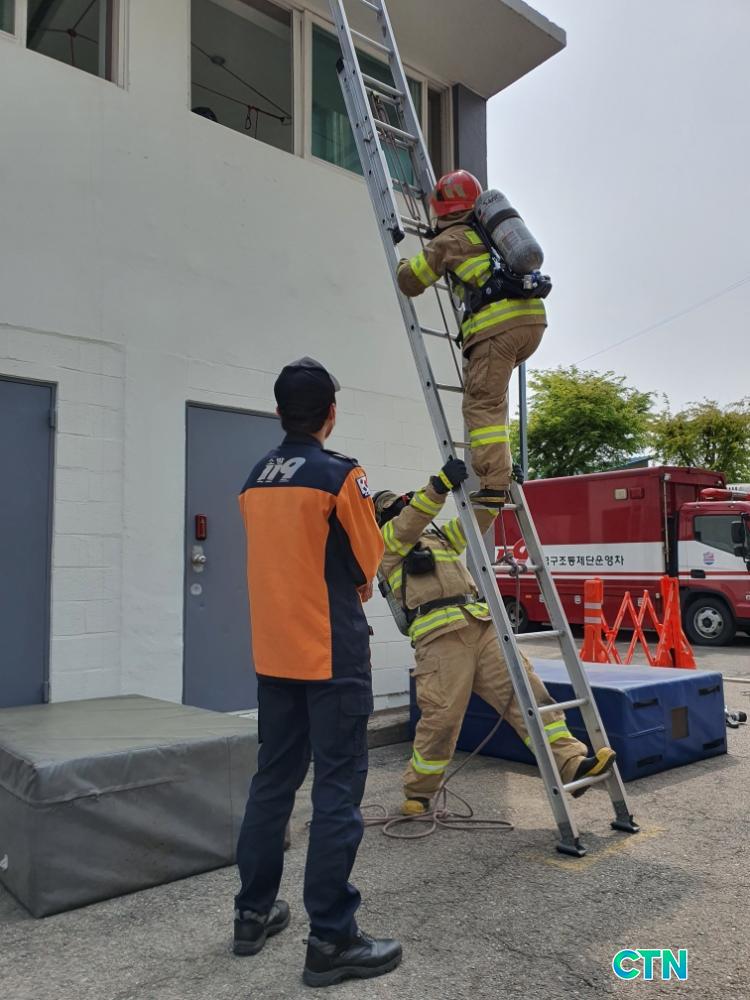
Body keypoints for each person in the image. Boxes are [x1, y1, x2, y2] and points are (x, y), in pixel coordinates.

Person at [234, 357, 402, 988]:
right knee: (336, 790)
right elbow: (368, 560)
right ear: (331, 413)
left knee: (273, 782)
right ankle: (332, 939)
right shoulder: (340, 474)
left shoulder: (255, 479)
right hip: (331, 654)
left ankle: (252, 915)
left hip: (274, 654)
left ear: (279, 413)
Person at [373, 458, 616, 815]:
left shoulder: (438, 538)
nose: (403, 506)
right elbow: (410, 521)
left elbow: (474, 523)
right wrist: (438, 486)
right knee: (442, 718)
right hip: (440, 639)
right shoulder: (385, 543)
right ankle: (419, 792)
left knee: (528, 694)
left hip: (482, 626)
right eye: (395, 505)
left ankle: (572, 762)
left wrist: (499, 490)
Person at [397, 169, 546, 508]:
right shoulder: (492, 235)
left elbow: (411, 281)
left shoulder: (449, 241)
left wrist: (402, 262)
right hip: (532, 322)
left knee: (481, 404)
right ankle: (503, 469)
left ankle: (494, 483)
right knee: (494, 399)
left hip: (497, 329)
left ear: (443, 208)